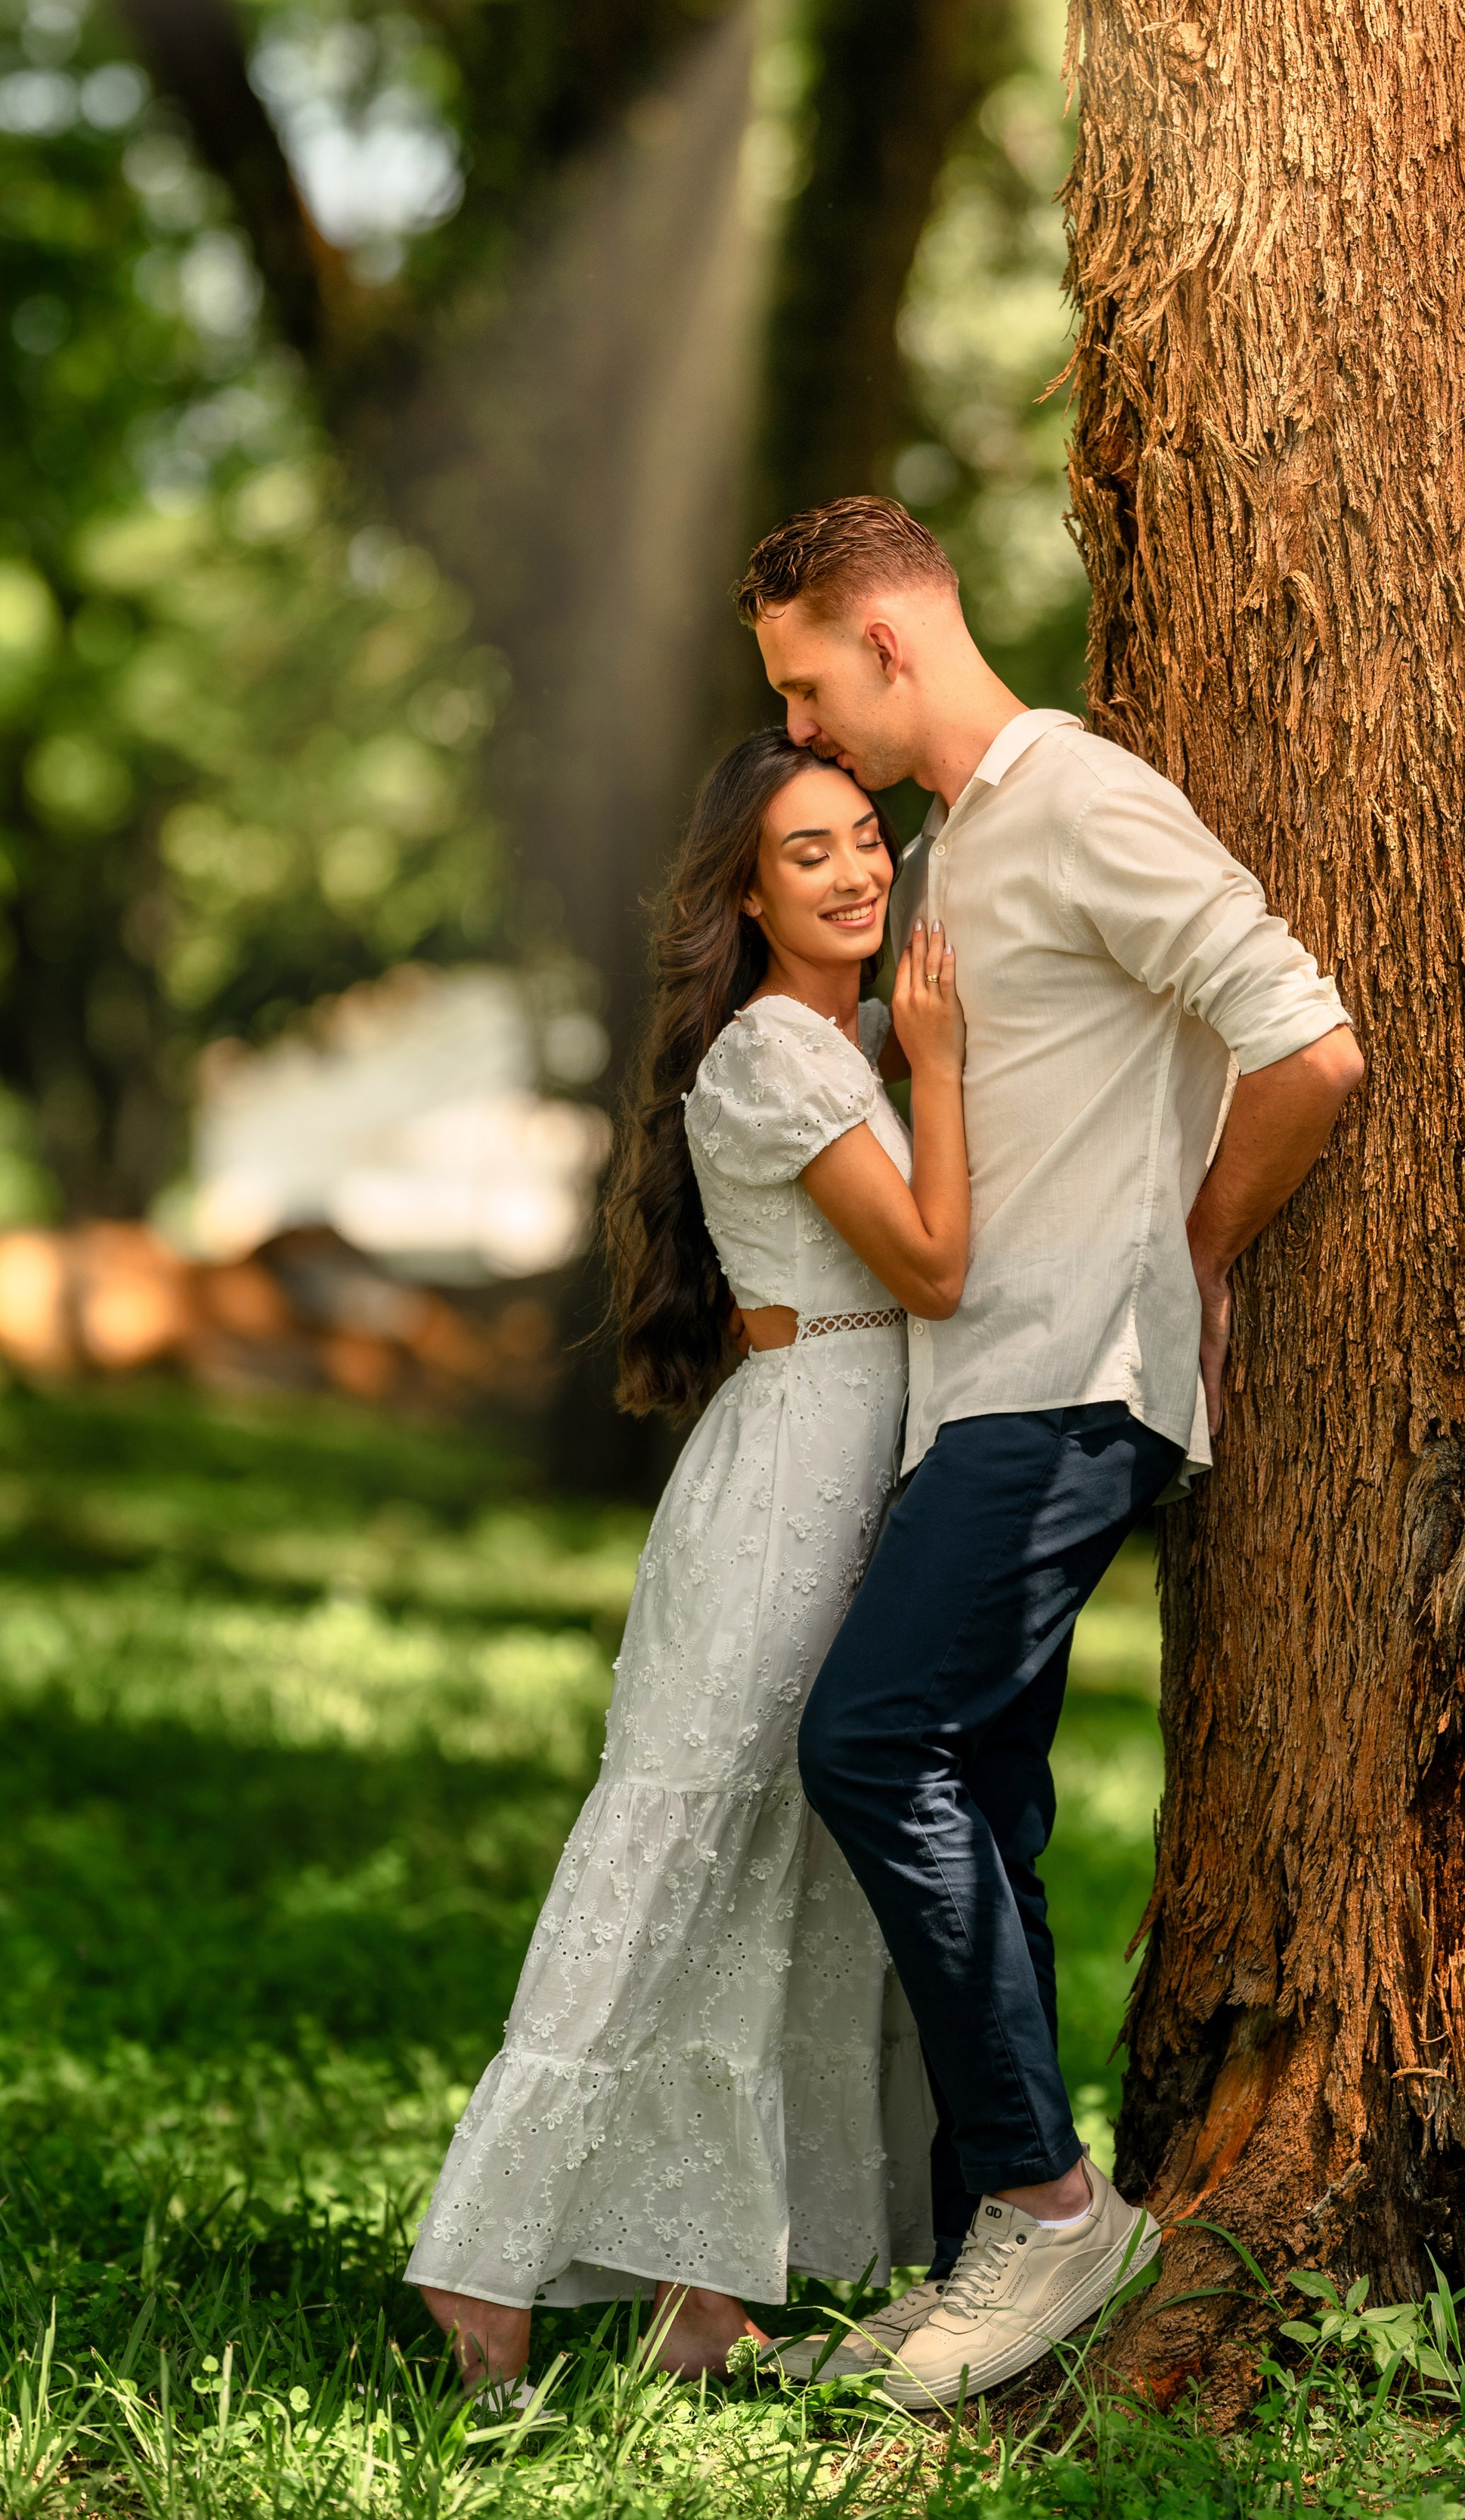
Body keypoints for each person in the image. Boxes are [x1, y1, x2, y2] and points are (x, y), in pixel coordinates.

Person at [743, 495, 1364, 2408]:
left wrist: (1191, 1253)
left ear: (887, 640)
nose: (798, 728)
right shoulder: (945, 852)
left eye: (805, 687)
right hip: (973, 1386)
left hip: (1073, 1380)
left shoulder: (1079, 798)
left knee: (869, 1744)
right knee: (982, 1801)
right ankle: (983, 2250)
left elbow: (1306, 1043)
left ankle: (1047, 2204)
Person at [406, 727, 971, 2395]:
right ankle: (481, 2258)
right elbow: (933, 1268)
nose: (855, 872)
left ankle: (699, 2284)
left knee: (789, 1872)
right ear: (745, 894)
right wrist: (940, 1069)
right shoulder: (778, 1056)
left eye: (864, 836)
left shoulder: (850, 1038)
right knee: (674, 1845)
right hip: (787, 1482)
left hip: (860, 1476)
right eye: (808, 853)